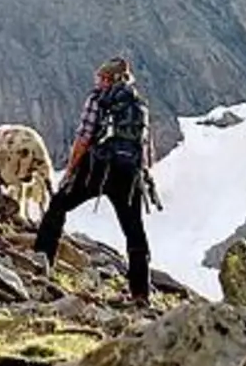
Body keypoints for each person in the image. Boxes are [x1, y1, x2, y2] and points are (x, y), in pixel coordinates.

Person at [33, 56, 157, 303]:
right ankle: (141, 292)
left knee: (58, 206)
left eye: (101, 78)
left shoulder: (98, 100)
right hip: (129, 174)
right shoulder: (138, 104)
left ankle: (41, 265)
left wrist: (70, 171)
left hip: (98, 169)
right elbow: (144, 144)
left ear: (108, 79)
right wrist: (143, 173)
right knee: (134, 231)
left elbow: (84, 138)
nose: (97, 81)